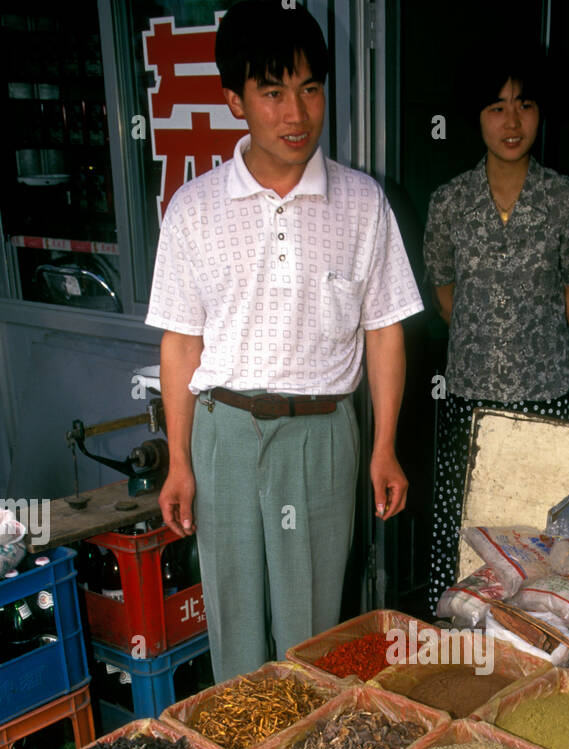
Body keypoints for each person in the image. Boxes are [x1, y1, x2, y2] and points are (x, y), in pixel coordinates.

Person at [147, 1, 423, 682]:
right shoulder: (194, 210)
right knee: (234, 617)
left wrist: (383, 445)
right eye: (272, 92)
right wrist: (179, 461)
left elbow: (384, 332)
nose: (296, 113)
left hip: (324, 435)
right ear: (235, 99)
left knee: (317, 630)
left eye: (310, 88)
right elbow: (181, 346)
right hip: (225, 434)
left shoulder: (363, 203)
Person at [423, 51, 569, 612]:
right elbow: (443, 288)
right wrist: (488, 337)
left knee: (537, 527)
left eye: (524, 105)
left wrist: (528, 338)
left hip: (543, 394)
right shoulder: (449, 201)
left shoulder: (567, 199)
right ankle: (455, 634)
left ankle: (529, 640)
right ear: (476, 117)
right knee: (463, 520)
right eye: (497, 107)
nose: (512, 121)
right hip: (469, 393)